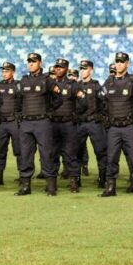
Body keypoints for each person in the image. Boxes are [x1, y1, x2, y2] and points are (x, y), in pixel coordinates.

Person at [99, 52, 133, 198]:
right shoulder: (109, 82)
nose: (119, 64)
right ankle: (110, 188)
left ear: (127, 64)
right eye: (117, 62)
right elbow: (101, 100)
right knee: (111, 158)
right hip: (114, 127)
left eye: (122, 62)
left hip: (129, 126)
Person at [15, 52, 61, 196]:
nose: (31, 64)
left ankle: (51, 186)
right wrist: (20, 115)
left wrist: (49, 112)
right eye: (29, 61)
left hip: (42, 122)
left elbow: (58, 99)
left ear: (40, 63)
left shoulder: (47, 80)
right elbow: (18, 100)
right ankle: (25, 186)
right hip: (26, 122)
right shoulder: (23, 81)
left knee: (46, 154)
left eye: (34, 61)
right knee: (25, 154)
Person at [50, 58, 82, 191]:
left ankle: (74, 181)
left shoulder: (72, 84)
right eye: (56, 66)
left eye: (61, 67)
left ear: (67, 69)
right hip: (52, 124)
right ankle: (52, 183)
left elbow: (84, 102)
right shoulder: (49, 83)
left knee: (70, 154)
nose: (58, 69)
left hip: (68, 124)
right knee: (52, 154)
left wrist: (75, 114)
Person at [76, 60, 107, 190]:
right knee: (76, 152)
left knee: (101, 151)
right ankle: (76, 180)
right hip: (79, 123)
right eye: (81, 68)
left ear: (91, 70)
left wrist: (102, 117)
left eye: (85, 68)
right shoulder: (76, 86)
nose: (82, 71)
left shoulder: (96, 86)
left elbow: (104, 103)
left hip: (94, 122)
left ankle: (103, 179)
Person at [0, 62, 21, 188]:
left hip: (14, 122)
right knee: (0, 150)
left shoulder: (18, 85)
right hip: (2, 123)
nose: (4, 73)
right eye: (3, 71)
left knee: (19, 150)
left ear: (13, 72)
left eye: (7, 71)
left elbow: (22, 102)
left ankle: (23, 175)